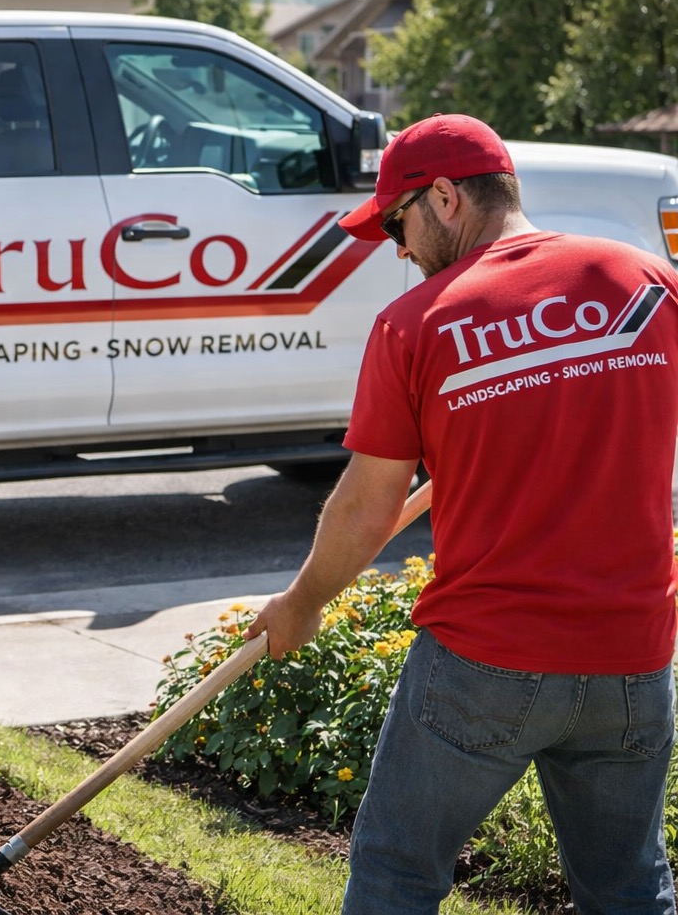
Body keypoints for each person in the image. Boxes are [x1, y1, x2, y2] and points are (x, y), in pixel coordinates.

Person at [246, 114, 678, 914]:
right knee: (628, 888)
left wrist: (301, 604)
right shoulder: (648, 282)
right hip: (633, 659)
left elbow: (367, 507)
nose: (398, 250)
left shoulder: (416, 324)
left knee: (396, 873)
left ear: (445, 197)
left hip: (487, 661)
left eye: (395, 225)